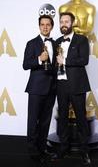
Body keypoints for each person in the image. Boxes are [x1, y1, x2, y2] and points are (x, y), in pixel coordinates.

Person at [55, 12, 92, 167]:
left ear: (72, 23)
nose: (64, 24)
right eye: (62, 21)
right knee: (62, 118)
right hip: (61, 85)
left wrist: (65, 60)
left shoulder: (82, 40)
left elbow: (84, 60)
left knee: (81, 119)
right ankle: (63, 148)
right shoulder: (56, 41)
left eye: (66, 21)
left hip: (77, 85)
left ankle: (84, 151)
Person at [23, 14, 56, 164]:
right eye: (42, 24)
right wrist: (38, 59)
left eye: (48, 24)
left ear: (51, 26)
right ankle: (32, 151)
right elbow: (25, 64)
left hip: (52, 88)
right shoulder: (32, 43)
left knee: (45, 121)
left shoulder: (56, 44)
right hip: (36, 88)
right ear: (39, 26)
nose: (45, 27)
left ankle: (42, 148)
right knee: (33, 121)